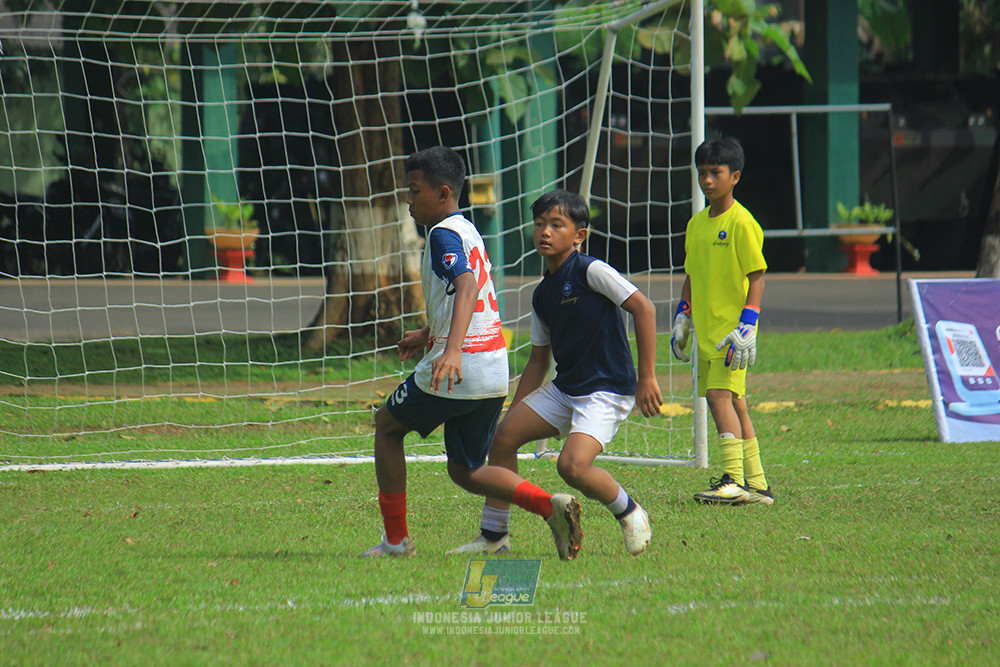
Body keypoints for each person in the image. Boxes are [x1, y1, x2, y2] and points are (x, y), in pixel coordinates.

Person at [360, 146, 583, 560]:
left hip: (460, 367)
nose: (408, 200)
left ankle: (396, 541)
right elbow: (472, 294)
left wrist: (451, 350)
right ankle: (548, 505)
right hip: (493, 368)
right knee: (466, 469)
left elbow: (465, 285)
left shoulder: (443, 234)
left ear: (443, 193)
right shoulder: (467, 230)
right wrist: (429, 332)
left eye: (414, 191)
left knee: (388, 427)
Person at [448, 188, 663, 557]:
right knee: (502, 439)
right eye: (540, 224)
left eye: (557, 225)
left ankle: (629, 512)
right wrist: (513, 411)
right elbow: (538, 361)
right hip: (567, 388)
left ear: (579, 235)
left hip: (607, 390)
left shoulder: (590, 270)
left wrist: (647, 377)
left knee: (572, 466)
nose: (545, 232)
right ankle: (495, 536)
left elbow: (643, 309)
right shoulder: (542, 294)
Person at [670, 136, 774, 506]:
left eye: (716, 172)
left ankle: (733, 480)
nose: (707, 180)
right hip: (706, 333)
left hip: (732, 335)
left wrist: (748, 325)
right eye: (702, 173)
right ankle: (758, 485)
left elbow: (757, 275)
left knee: (718, 397)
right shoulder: (696, 225)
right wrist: (683, 315)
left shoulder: (742, 222)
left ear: (735, 176)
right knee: (737, 403)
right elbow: (691, 275)